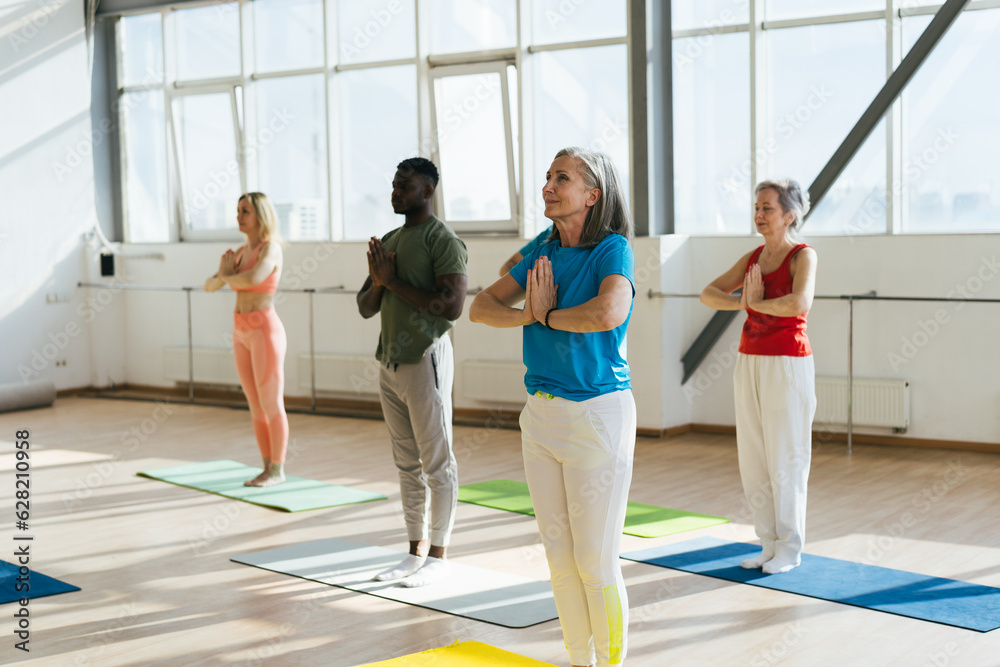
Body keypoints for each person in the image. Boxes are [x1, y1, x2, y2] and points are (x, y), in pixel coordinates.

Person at [470, 147, 635, 667]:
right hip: (540, 417)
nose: (547, 185)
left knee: (595, 561)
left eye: (561, 177)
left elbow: (608, 312)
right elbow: (481, 307)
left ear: (593, 195)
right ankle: (578, 659)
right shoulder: (542, 249)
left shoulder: (611, 249)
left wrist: (545, 316)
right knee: (559, 559)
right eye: (547, 176)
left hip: (596, 416)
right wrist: (528, 315)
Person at [357, 157, 468, 588]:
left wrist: (392, 281)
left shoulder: (444, 240)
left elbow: (451, 306)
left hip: (426, 359)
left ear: (428, 190)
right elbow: (365, 307)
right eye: (394, 184)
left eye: (405, 185)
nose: (396, 192)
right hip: (389, 361)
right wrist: (380, 281)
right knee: (406, 463)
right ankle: (414, 550)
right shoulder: (389, 240)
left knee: (437, 462)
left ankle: (439, 555)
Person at [700, 179, 818, 575]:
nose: (759, 214)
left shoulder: (803, 256)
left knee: (787, 456)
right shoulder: (753, 257)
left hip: (787, 361)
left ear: (789, 215)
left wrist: (755, 302)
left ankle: (790, 547)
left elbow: (798, 302)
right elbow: (709, 293)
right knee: (754, 457)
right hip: (749, 358)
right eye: (756, 207)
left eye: (767, 208)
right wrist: (743, 303)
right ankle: (768, 543)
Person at [205, 192, 289, 487]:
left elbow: (253, 279)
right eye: (238, 210)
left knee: (271, 403)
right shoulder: (240, 253)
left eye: (245, 211)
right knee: (255, 405)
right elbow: (209, 285)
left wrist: (227, 276)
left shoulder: (271, 249)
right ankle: (266, 468)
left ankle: (278, 470)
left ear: (260, 215)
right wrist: (225, 274)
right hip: (240, 332)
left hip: (264, 331)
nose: (238, 216)